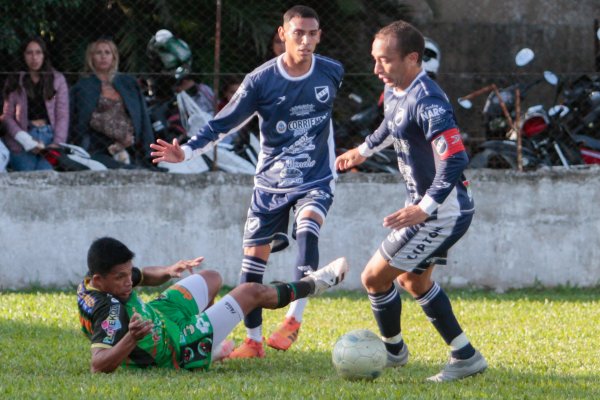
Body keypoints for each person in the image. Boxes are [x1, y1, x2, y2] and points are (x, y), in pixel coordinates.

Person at [150, 5, 344, 358]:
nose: (305, 40)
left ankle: (293, 319)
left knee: (307, 228)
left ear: (319, 35)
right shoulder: (260, 80)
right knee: (251, 268)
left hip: (315, 177)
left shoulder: (332, 72)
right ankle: (253, 341)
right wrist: (188, 152)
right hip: (269, 184)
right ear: (283, 34)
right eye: (298, 32)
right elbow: (222, 123)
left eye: (312, 33)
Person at [335, 20, 487, 382]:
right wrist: (363, 150)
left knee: (374, 277)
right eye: (374, 59)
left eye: (385, 60)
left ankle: (392, 351)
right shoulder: (396, 89)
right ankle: (465, 356)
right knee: (413, 283)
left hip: (442, 213)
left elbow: (455, 158)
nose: (376, 69)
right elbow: (391, 124)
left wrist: (425, 207)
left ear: (412, 59)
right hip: (432, 209)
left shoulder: (428, 99)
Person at [77, 237, 348, 373]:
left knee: (211, 278)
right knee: (251, 292)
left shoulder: (97, 281)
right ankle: (316, 283)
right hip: (175, 345)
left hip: (161, 314)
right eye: (120, 278)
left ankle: (209, 342)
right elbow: (98, 365)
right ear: (100, 280)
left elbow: (143, 276)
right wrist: (132, 338)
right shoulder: (108, 309)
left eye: (128, 273)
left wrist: (169, 270)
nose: (128, 282)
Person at [69, 38, 154, 169]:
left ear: (114, 57)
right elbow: (79, 121)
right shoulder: (82, 87)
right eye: (99, 53)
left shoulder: (128, 83)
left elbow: (143, 118)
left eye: (107, 52)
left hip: (130, 144)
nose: (103, 56)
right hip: (97, 147)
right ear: (91, 57)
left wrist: (147, 149)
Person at [2, 37, 69, 171]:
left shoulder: (57, 80)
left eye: (38, 52)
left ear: (44, 55)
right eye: (29, 53)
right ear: (23, 55)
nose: (34, 58)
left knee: (45, 173)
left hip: (50, 137)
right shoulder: (15, 80)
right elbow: (7, 116)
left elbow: (62, 114)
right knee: (28, 173)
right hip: (22, 138)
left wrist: (57, 143)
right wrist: (26, 140)